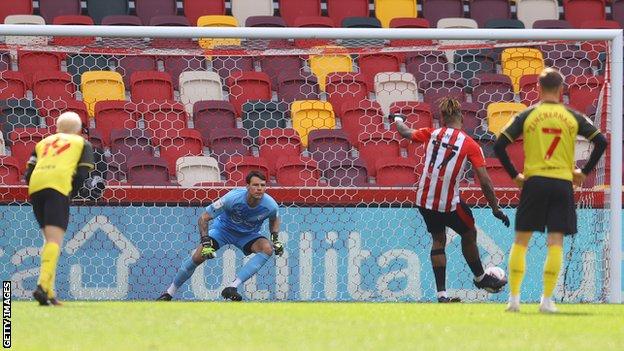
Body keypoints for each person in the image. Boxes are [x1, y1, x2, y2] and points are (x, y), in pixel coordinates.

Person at [494, 67, 607, 313]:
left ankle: (514, 299)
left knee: (521, 239)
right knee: (555, 241)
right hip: (561, 183)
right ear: (561, 90)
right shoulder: (571, 116)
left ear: (538, 88)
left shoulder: (528, 115)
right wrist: (584, 172)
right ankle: (546, 300)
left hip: (534, 182)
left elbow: (499, 144)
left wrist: (515, 176)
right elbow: (601, 141)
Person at [393, 97, 510, 303]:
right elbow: (484, 181)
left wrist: (397, 119)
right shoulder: (469, 144)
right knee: (469, 231)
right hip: (448, 203)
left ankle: (442, 295)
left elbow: (405, 132)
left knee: (438, 240)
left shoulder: (432, 133)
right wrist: (495, 207)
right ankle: (480, 277)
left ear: (443, 118)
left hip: (423, 199)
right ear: (461, 117)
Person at [157, 170, 283, 301]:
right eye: (255, 185)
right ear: (247, 186)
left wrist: (275, 239)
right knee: (197, 257)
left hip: (248, 235)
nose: (259, 189)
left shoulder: (271, 205)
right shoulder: (231, 198)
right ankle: (169, 292)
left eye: (263, 185)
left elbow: (274, 219)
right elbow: (203, 218)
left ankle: (232, 287)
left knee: (267, 249)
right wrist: (206, 242)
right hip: (223, 231)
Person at [27, 111, 95, 306]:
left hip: (36, 187)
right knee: (55, 240)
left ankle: (48, 292)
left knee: (49, 241)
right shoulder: (82, 143)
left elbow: (28, 172)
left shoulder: (42, 143)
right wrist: (69, 193)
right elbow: (82, 173)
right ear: (79, 130)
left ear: (57, 127)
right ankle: (41, 285)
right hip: (58, 187)